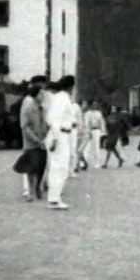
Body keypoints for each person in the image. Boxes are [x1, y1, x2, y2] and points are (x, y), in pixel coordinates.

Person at [45, 75, 76, 210]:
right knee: (60, 167)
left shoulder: (59, 97)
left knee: (58, 167)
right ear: (70, 87)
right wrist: (56, 138)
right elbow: (53, 119)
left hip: (62, 134)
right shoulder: (62, 98)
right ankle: (54, 199)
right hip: (60, 134)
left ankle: (54, 197)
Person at [15, 85, 48, 201]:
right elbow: (25, 126)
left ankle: (37, 188)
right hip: (32, 142)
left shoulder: (40, 107)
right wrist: (36, 140)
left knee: (41, 166)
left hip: (42, 140)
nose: (43, 96)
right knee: (32, 167)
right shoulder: (28, 106)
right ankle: (31, 191)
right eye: (41, 94)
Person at [83, 100, 106, 169]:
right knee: (87, 147)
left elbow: (102, 122)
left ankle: (97, 162)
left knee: (96, 147)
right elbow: (86, 123)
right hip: (89, 130)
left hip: (96, 130)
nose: (95, 106)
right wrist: (88, 131)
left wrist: (103, 131)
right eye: (93, 104)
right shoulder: (88, 113)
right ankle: (84, 162)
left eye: (96, 104)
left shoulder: (99, 113)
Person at [69, 100, 83, 177]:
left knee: (73, 151)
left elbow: (79, 118)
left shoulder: (75, 106)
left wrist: (80, 130)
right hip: (63, 130)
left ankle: (72, 169)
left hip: (73, 130)